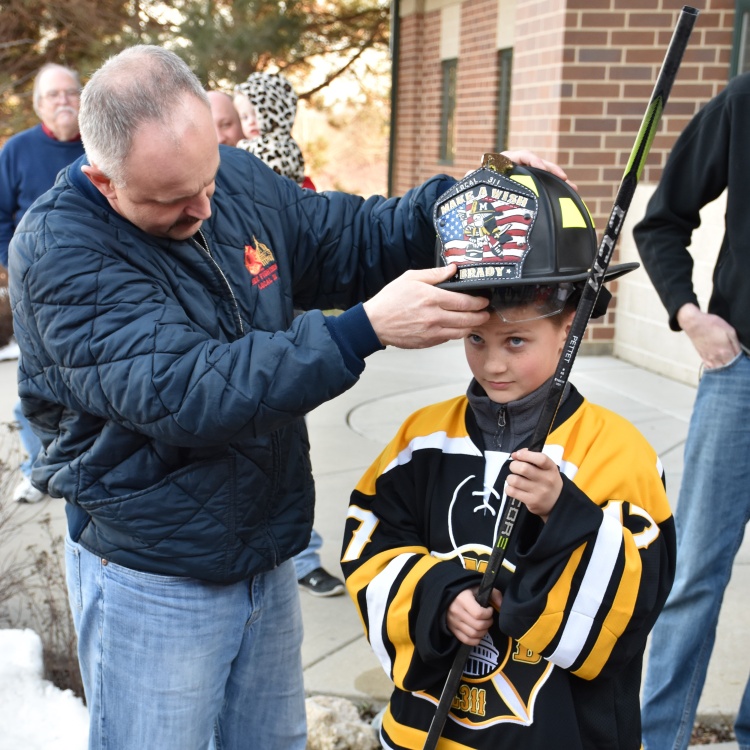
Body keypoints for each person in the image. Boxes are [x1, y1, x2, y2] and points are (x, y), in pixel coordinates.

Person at [7, 45, 561, 750]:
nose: (203, 208)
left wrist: (464, 202)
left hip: (264, 553)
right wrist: (361, 330)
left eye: (207, 179)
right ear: (103, 180)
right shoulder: (59, 250)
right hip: (154, 577)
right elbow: (187, 389)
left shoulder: (232, 181)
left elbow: (350, 236)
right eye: (173, 201)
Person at [341, 162, 676, 749]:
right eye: (477, 340)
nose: (493, 364)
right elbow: (368, 545)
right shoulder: (421, 441)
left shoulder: (620, 452)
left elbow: (636, 601)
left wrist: (564, 513)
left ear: (570, 325)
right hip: (434, 731)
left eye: (516, 341)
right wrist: (438, 599)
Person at [633, 71, 750, 750]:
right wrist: (689, 314)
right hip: (742, 380)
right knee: (696, 574)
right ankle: (656, 739)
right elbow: (663, 219)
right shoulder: (742, 104)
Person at [209, 77, 341, 595]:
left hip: (273, 331)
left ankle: (298, 551)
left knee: (276, 442)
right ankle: (298, 550)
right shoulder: (277, 161)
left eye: (231, 120)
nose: (227, 132)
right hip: (281, 330)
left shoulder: (253, 168)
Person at [0, 62, 84, 504]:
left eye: (70, 91)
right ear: (38, 105)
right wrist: (13, 269)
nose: (64, 100)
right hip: (35, 289)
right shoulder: (16, 151)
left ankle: (83, 463)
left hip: (96, 285)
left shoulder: (99, 144)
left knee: (89, 380)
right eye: (53, 95)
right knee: (35, 383)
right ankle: (36, 470)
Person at [234, 72, 315, 189]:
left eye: (257, 114)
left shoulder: (267, 149)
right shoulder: (290, 144)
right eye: (244, 117)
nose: (251, 122)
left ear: (274, 114)